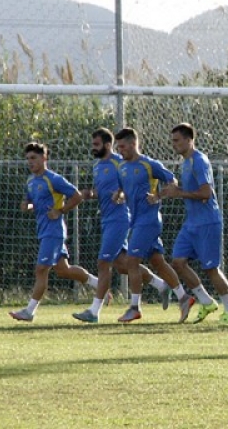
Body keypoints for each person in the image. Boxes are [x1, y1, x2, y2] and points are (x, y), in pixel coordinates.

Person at [72, 128, 170, 324]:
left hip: (120, 219)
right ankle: (161, 285)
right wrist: (90, 194)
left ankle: (94, 311)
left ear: (108, 145)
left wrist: (124, 196)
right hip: (107, 219)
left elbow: (129, 186)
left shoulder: (120, 162)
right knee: (123, 265)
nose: (94, 148)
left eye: (97, 145)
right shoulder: (97, 166)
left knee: (103, 263)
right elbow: (104, 192)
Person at [9, 143, 102, 322]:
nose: (30, 162)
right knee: (63, 270)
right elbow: (29, 202)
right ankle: (100, 286)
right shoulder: (30, 181)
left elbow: (76, 195)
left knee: (41, 269)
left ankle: (29, 311)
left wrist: (60, 210)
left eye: (33, 158)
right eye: (28, 159)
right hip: (43, 230)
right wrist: (27, 206)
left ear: (44, 158)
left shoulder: (53, 179)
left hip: (54, 230)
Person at [159, 123, 228, 324]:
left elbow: (206, 193)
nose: (174, 144)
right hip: (192, 223)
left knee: (211, 268)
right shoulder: (185, 163)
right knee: (177, 262)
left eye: (177, 140)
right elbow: (185, 190)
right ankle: (205, 301)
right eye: (172, 141)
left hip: (207, 222)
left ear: (189, 140)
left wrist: (179, 193)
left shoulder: (199, 161)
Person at [113, 128, 195, 323]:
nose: (120, 150)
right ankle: (183, 298)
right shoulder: (122, 167)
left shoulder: (149, 164)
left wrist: (158, 196)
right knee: (158, 262)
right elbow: (123, 187)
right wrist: (119, 195)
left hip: (148, 221)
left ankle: (134, 307)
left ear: (133, 144)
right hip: (138, 221)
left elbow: (172, 181)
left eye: (123, 146)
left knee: (131, 262)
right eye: (118, 147)